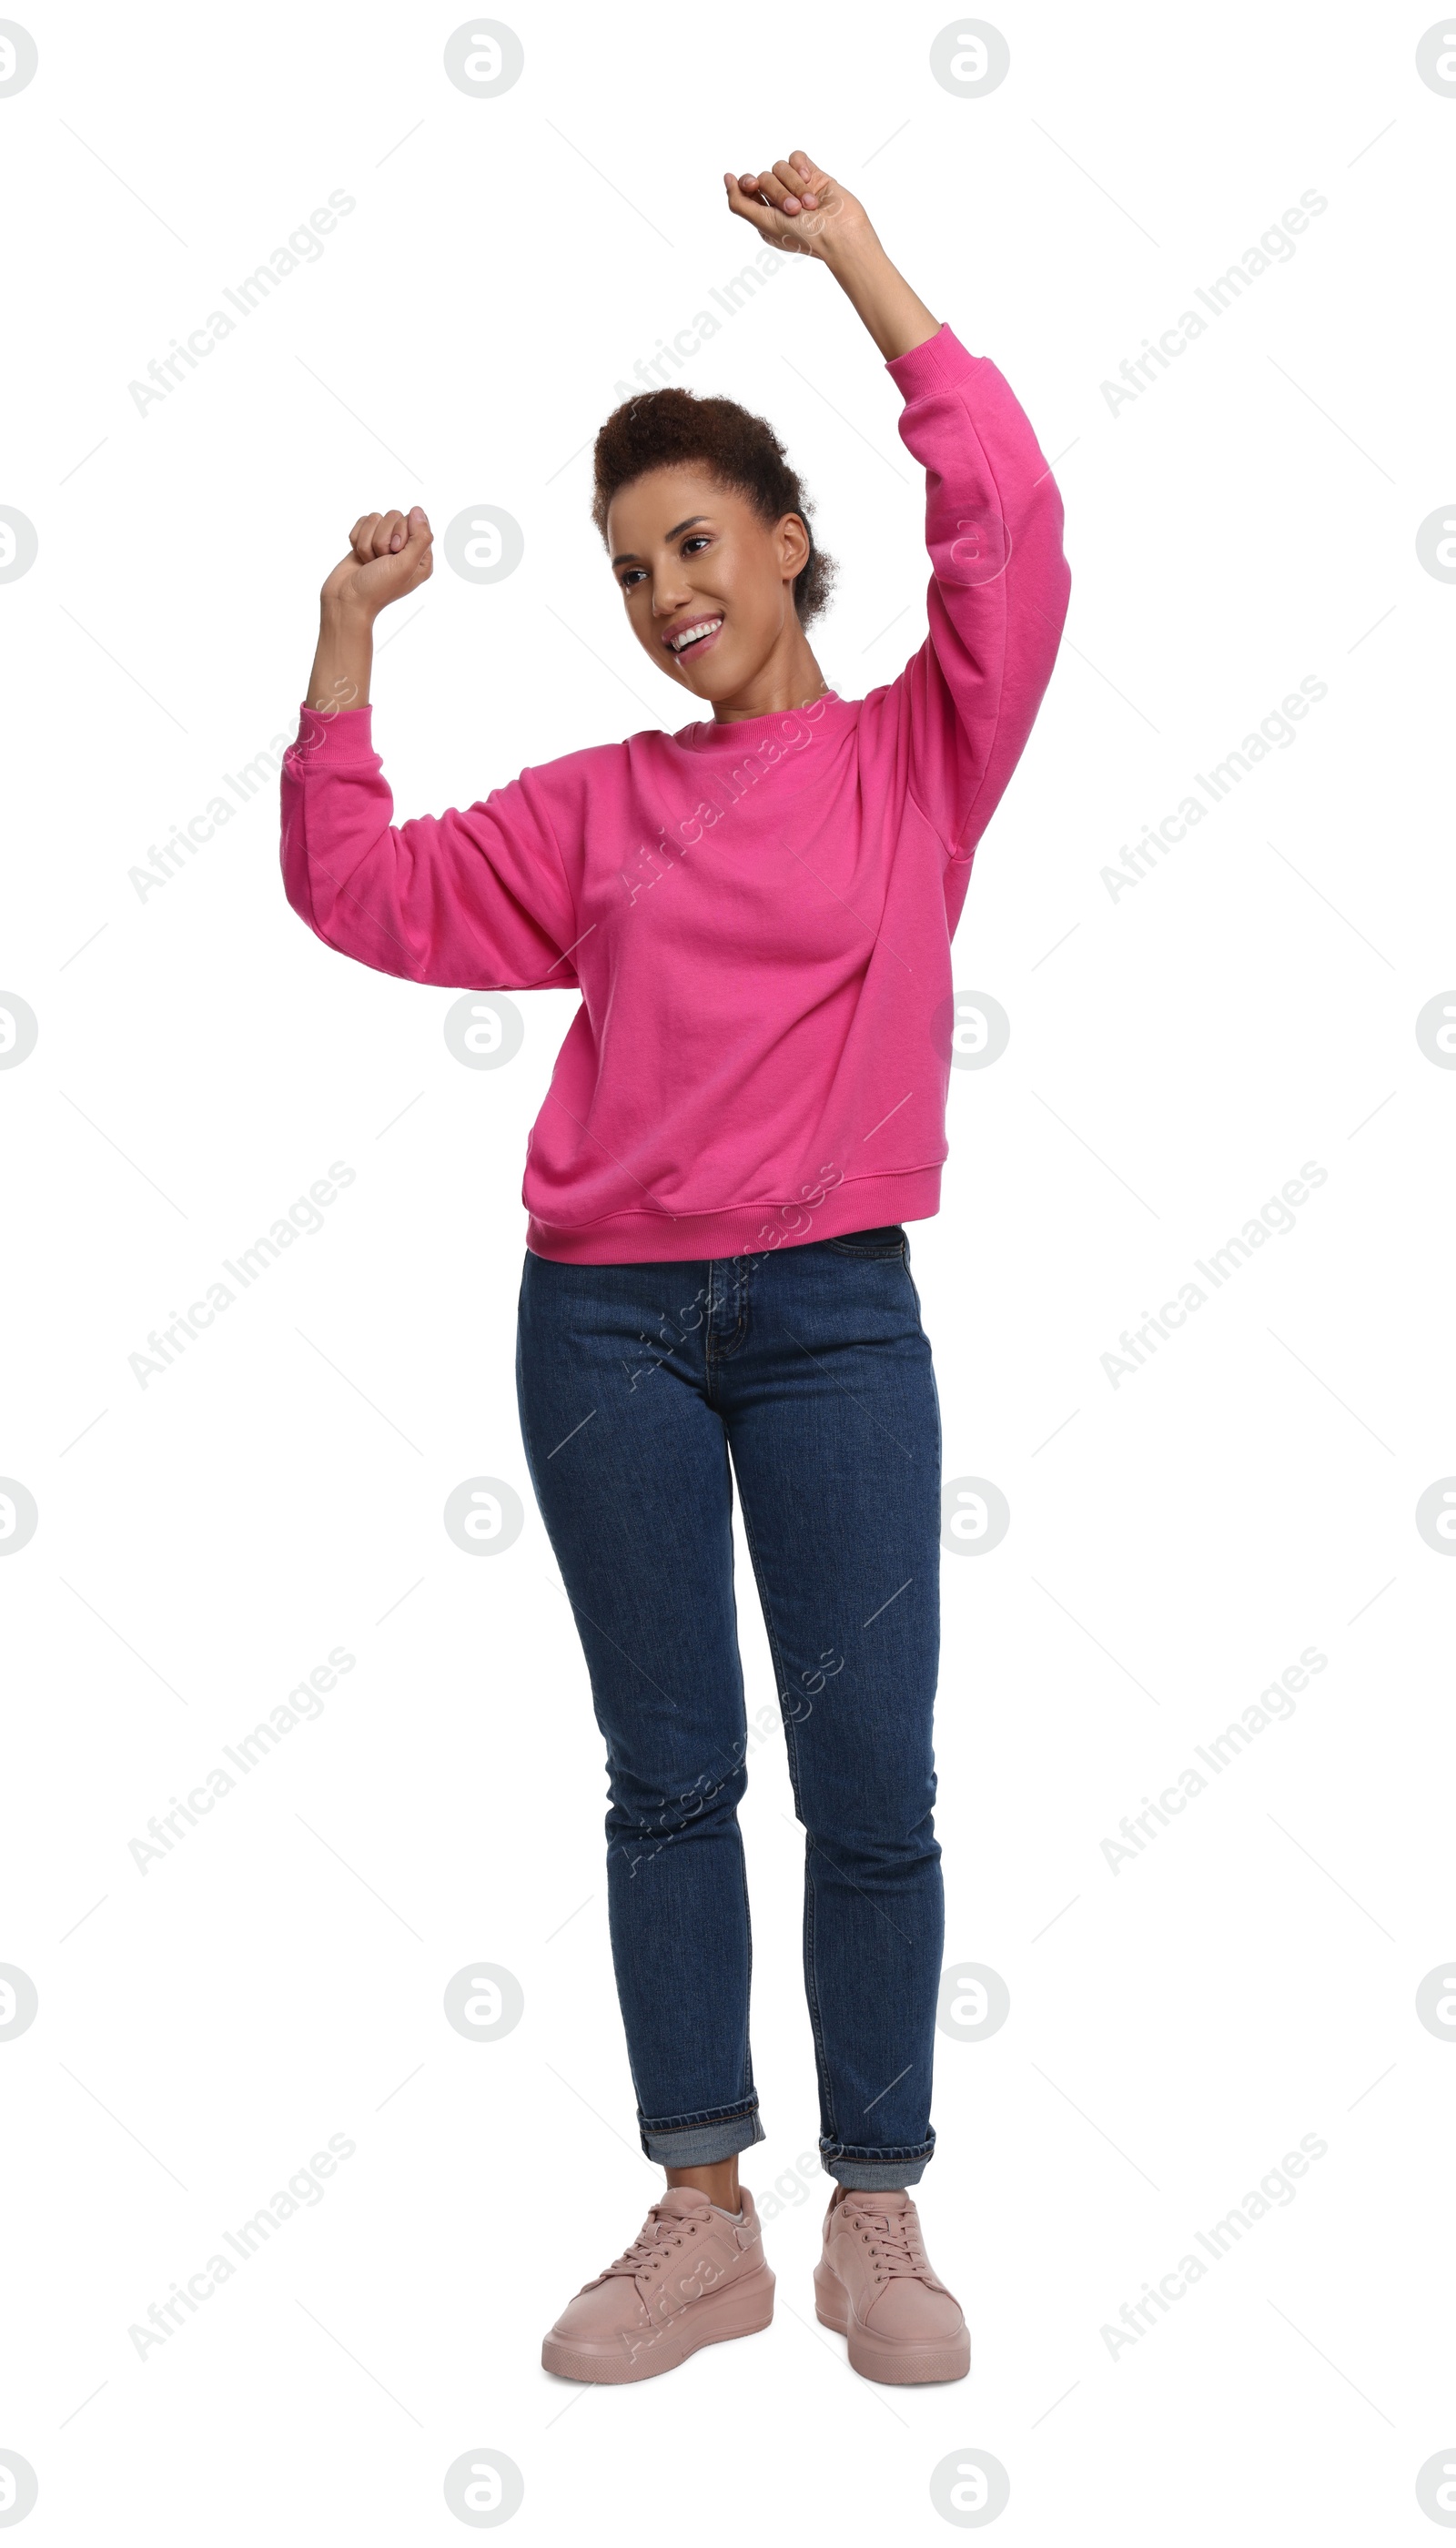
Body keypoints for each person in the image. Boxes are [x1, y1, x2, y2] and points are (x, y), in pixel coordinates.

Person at [280, 149, 1070, 2387]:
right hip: (603, 1324)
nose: (665, 593)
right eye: (633, 569)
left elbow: (1010, 531)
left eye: (696, 543)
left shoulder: (919, 756)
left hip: (834, 1320)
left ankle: (880, 2214)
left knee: (875, 1783)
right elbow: (363, 891)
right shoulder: (597, 807)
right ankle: (704, 2207)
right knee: (662, 1777)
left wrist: (862, 274)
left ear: (785, 540)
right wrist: (347, 645)